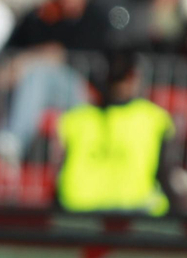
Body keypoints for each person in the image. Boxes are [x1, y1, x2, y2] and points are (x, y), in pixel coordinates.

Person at [55, 51, 175, 214]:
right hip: (137, 209)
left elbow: (59, 169)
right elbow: (164, 173)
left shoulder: (75, 118)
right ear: (133, 77)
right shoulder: (154, 118)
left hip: (78, 207)